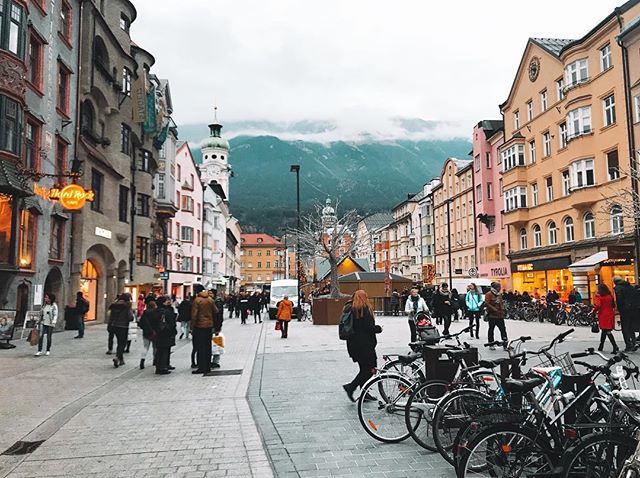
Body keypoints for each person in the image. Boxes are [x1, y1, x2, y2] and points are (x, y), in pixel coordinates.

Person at [342, 290, 383, 402]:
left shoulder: (349, 308)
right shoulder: (364, 309)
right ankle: (351, 387)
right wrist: (378, 328)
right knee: (370, 369)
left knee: (363, 369)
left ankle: (365, 393)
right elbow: (368, 328)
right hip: (365, 345)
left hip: (353, 345)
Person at [191, 284, 217, 375]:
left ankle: (201, 367)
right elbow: (216, 311)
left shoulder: (197, 300)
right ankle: (207, 366)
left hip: (199, 326)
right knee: (208, 346)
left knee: (200, 347)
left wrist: (192, 327)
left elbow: (194, 315)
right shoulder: (210, 300)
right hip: (209, 326)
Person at [151, 296, 177, 375]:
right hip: (166, 333)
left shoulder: (156, 311)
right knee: (165, 350)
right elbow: (171, 323)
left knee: (160, 350)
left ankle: (159, 367)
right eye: (166, 301)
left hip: (158, 333)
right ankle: (163, 367)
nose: (168, 302)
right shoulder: (166, 311)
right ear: (163, 302)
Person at [108, 293, 134, 368]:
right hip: (123, 326)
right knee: (122, 343)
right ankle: (117, 357)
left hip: (114, 326)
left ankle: (121, 360)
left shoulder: (114, 305)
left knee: (120, 342)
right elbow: (130, 317)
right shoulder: (127, 306)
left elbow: (111, 316)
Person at [614, 276, 639, 352]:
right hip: (634, 310)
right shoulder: (630, 286)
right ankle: (634, 343)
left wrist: (620, 309)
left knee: (625, 329)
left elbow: (619, 299)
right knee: (631, 327)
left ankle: (628, 346)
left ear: (615, 282)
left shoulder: (618, 288)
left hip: (625, 311)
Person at [594, 283, 619, 354]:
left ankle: (615, 346)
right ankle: (601, 346)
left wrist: (593, 312)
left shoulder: (599, 296)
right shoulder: (610, 296)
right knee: (605, 331)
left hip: (603, 315)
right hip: (610, 315)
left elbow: (598, 305)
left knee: (607, 331)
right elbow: (613, 305)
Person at [485, 282, 507, 350]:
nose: (500, 288)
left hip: (500, 315)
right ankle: (491, 343)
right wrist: (494, 308)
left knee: (503, 329)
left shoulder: (499, 295)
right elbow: (487, 303)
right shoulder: (489, 294)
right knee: (491, 329)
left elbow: (501, 303)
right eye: (498, 287)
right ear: (495, 288)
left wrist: (503, 310)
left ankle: (505, 344)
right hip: (492, 315)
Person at [138, 299, 157, 370]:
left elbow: (141, 323)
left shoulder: (145, 312)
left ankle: (142, 360)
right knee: (155, 347)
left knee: (145, 347)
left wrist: (144, 328)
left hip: (146, 332)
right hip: (154, 332)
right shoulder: (155, 312)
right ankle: (155, 360)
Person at [211, 289, 225, 369]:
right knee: (213, 344)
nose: (209, 294)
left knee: (216, 343)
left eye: (211, 293)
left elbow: (219, 315)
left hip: (215, 326)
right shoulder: (211, 301)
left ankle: (215, 361)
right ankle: (212, 360)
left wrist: (218, 327)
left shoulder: (217, 302)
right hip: (211, 325)